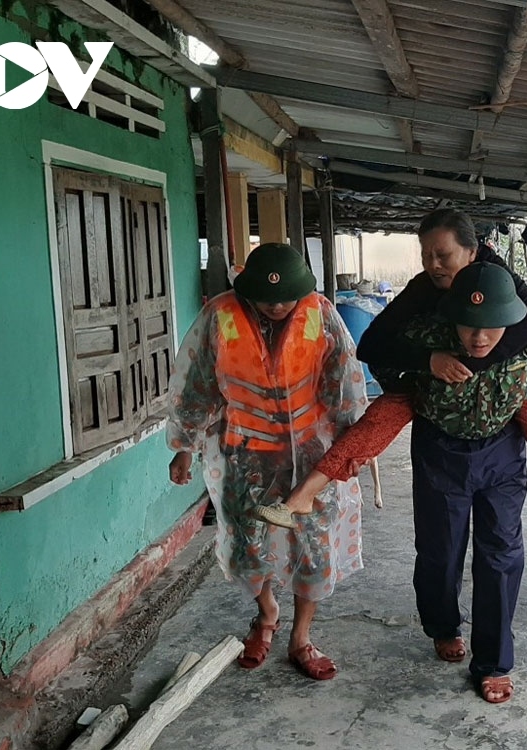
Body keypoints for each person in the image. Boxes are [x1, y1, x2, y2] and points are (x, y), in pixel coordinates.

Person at [264, 209, 527, 596]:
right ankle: (303, 495)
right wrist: (424, 367)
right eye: (426, 254)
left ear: (472, 251)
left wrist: (520, 384)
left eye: (442, 255)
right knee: (375, 424)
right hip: (431, 388)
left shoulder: (501, 283)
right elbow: (376, 346)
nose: (433, 264)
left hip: (512, 389)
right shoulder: (425, 294)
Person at [166, 243, 367, 679]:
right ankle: (266, 614)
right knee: (248, 546)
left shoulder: (322, 314)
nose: (276, 305)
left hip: (313, 460)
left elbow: (345, 382)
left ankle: (301, 637)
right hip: (247, 456)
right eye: (266, 297)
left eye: (285, 296)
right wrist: (185, 445)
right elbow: (196, 384)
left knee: (313, 548)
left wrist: (353, 446)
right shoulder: (220, 317)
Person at [411, 262, 527, 703]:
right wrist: (427, 366)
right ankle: (443, 625)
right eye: (468, 326)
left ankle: (494, 660)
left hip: (502, 451)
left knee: (502, 553)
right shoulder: (428, 331)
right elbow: (387, 364)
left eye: (491, 328)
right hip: (439, 451)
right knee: (440, 550)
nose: (478, 338)